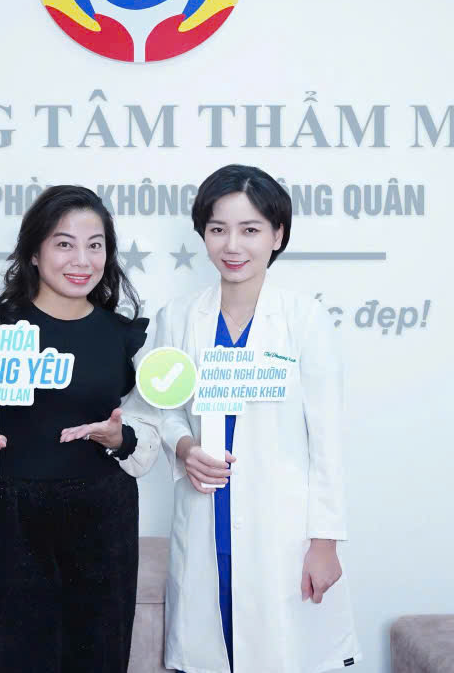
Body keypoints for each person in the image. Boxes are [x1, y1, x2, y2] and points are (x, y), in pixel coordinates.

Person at [123, 164, 360, 673]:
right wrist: (184, 448)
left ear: (277, 235)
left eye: (250, 230)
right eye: (218, 229)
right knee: (210, 646)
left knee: (280, 651)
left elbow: (328, 440)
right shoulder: (178, 317)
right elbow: (160, 409)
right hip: (206, 510)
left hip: (283, 525)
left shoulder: (303, 319)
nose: (232, 245)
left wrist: (324, 543)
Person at [0, 185, 159, 673]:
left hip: (105, 518)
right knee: (16, 655)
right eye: (64, 244)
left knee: (99, 655)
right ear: (33, 253)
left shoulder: (126, 337)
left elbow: (147, 425)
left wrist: (120, 437)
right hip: (12, 517)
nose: (82, 259)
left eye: (95, 245)